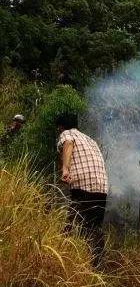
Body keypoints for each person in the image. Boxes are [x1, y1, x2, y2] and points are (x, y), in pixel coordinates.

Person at [56, 113, 108, 266]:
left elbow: (68, 143)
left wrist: (65, 169)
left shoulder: (67, 134)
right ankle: (97, 264)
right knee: (94, 226)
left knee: (73, 222)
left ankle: (62, 257)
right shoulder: (90, 140)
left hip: (83, 184)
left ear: (60, 127)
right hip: (101, 185)